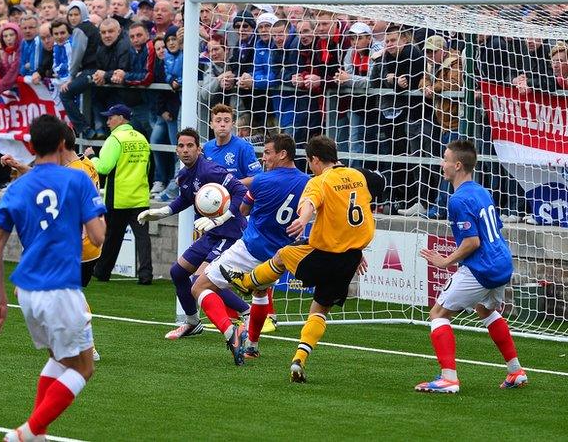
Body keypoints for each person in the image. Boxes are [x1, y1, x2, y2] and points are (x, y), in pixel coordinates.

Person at [0, 114, 106, 442]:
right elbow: (98, 236)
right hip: (61, 287)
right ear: (64, 144)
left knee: (58, 358)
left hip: (26, 290)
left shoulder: (17, 187)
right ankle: (27, 432)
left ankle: (36, 435)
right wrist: (93, 210)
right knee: (83, 367)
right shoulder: (78, 180)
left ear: (31, 146)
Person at [221, 135, 384, 383]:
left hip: (325, 255)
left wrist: (303, 219)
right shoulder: (358, 176)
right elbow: (379, 183)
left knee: (284, 255)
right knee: (320, 310)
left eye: (310, 162)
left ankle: (247, 282)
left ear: (316, 160)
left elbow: (308, 203)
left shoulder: (319, 181)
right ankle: (299, 359)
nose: (310, 167)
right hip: (350, 258)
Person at [414, 139, 527, 393]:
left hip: (482, 267)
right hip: (502, 262)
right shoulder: (481, 190)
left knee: (438, 315)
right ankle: (515, 371)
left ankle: (448, 379)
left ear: (457, 165)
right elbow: (495, 228)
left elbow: (472, 242)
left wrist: (445, 260)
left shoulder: (457, 200)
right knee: (485, 310)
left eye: (445, 159)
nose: (441, 164)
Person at [194, 133, 310, 364]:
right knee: (259, 294)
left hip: (249, 249)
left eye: (267, 153)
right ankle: (252, 347)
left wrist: (217, 213)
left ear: (283, 154)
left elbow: (243, 210)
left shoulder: (261, 181)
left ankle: (230, 332)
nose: (263, 158)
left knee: (199, 287)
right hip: (278, 257)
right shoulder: (308, 182)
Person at [137, 128, 251, 340]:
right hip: (210, 234)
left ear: (199, 149)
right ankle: (192, 322)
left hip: (230, 232)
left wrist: (222, 218)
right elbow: (185, 199)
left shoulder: (210, 170)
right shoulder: (183, 176)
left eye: (190, 146)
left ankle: (247, 312)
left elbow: (241, 191)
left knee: (202, 280)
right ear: (176, 150)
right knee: (178, 272)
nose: (185, 150)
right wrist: (162, 212)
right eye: (181, 146)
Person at [87, 104, 153, 285]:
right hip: (140, 195)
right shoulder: (142, 138)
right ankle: (146, 275)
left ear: (121, 118)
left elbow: (103, 167)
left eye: (110, 117)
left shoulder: (115, 139)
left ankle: (102, 271)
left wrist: (91, 157)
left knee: (112, 237)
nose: (107, 121)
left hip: (118, 198)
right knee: (143, 237)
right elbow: (149, 168)